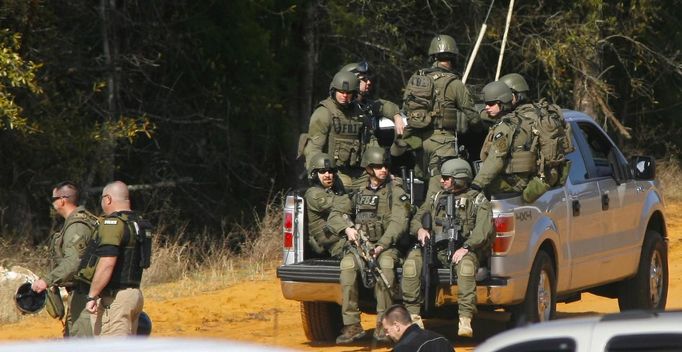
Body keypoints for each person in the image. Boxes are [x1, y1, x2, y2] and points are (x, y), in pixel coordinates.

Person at [404, 158, 494, 337]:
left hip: (464, 250)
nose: (441, 181)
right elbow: (416, 218)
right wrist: (420, 230)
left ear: (459, 178)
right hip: (435, 250)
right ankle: (413, 315)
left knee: (467, 268)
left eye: (446, 177)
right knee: (411, 265)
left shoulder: (478, 201)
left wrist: (466, 247)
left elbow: (484, 230)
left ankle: (465, 318)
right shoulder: (436, 198)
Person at [329, 146, 410, 344]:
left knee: (386, 268)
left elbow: (399, 222)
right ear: (368, 169)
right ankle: (352, 324)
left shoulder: (396, 191)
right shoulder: (356, 191)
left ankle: (384, 324)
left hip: (386, 247)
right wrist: (347, 230)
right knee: (347, 267)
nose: (383, 169)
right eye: (378, 166)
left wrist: (381, 245)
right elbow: (335, 216)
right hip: (360, 248)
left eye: (385, 166)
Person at [395, 34, 480, 202]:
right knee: (440, 191)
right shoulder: (454, 83)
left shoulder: (416, 79)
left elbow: (405, 108)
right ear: (453, 58)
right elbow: (473, 117)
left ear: (432, 56)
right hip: (443, 144)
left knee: (422, 186)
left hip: (418, 142)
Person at [78, 180, 150, 336]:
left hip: (114, 299)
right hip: (134, 295)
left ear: (108, 199)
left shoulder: (113, 224)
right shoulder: (137, 223)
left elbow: (107, 264)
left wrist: (92, 295)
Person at [32, 181, 98, 337]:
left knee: (81, 342)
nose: (53, 203)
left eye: (53, 199)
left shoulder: (77, 226)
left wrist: (46, 280)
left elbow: (73, 262)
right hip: (81, 294)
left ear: (62, 200)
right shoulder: (79, 221)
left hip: (84, 295)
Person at [471, 80, 536, 195]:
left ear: (502, 103)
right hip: (525, 178)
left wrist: (476, 185)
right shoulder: (519, 120)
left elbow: (496, 159)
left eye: (491, 104)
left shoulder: (505, 127)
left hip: (515, 182)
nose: (486, 107)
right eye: (486, 104)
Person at [303, 70, 366, 188]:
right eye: (341, 92)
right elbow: (314, 148)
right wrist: (315, 174)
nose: (344, 95)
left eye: (348, 92)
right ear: (334, 91)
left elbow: (369, 141)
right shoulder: (324, 113)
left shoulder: (358, 113)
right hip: (331, 171)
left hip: (355, 169)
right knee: (346, 185)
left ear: (354, 93)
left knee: (384, 183)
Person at [304, 152, 352, 258]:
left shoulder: (331, 192)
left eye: (330, 171)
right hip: (331, 242)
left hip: (340, 237)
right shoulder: (313, 193)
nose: (327, 175)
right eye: (322, 171)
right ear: (314, 174)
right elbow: (337, 205)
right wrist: (349, 199)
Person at [381, 304, 454, 352]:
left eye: (386, 330)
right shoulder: (441, 340)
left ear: (396, 326)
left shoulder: (402, 348)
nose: (386, 334)